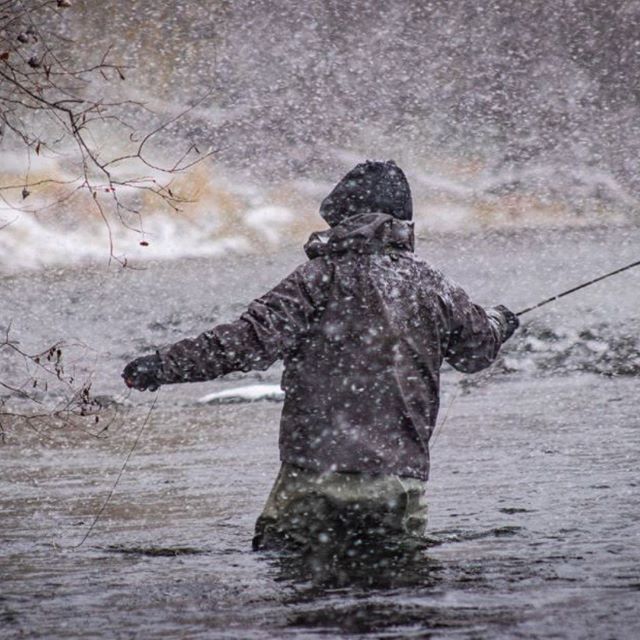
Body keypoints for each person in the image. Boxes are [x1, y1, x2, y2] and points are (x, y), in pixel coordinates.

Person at [123, 160, 519, 553]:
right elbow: (477, 351)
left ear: (341, 218)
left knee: (296, 587)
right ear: (403, 222)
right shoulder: (433, 284)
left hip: (312, 474)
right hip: (396, 480)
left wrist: (164, 365)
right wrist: (500, 322)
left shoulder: (314, 279)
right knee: (398, 597)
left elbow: (246, 341)